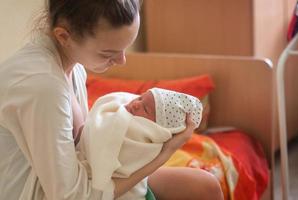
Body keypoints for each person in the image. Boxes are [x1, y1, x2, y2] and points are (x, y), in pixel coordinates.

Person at [0, 0, 224, 199]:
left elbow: (84, 146)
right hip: (43, 192)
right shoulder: (43, 86)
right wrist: (163, 154)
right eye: (108, 54)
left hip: (79, 177)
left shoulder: (73, 66)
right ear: (63, 36)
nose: (122, 60)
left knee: (205, 186)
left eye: (125, 48)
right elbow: (71, 196)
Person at [79, 88, 203, 199]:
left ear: (158, 128)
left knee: (206, 183)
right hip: (101, 188)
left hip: (130, 183)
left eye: (145, 109)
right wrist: (166, 153)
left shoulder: (145, 135)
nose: (136, 103)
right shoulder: (119, 113)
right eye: (140, 97)